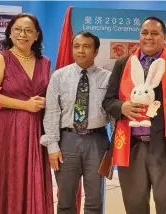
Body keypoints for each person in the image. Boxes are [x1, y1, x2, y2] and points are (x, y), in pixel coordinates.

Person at [102, 16, 166, 214]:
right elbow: (108, 100)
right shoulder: (124, 64)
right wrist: (122, 107)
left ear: (164, 37)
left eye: (155, 33)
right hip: (130, 147)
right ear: (139, 36)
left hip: (164, 148)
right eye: (145, 33)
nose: (149, 37)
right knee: (135, 205)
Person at [0, 13, 53, 214]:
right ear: (10, 33)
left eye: (28, 30)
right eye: (17, 29)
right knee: (8, 175)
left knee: (32, 175)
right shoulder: (1, 58)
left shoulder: (45, 62)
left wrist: (45, 101)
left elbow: (48, 94)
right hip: (6, 129)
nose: (23, 34)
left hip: (36, 129)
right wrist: (24, 105)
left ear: (36, 35)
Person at [40, 31, 110, 214]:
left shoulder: (108, 78)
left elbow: (114, 113)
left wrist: (117, 147)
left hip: (97, 141)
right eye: (77, 46)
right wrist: (52, 146)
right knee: (65, 200)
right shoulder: (59, 76)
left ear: (96, 51)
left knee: (95, 200)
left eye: (86, 46)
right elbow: (52, 112)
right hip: (66, 142)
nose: (81, 51)